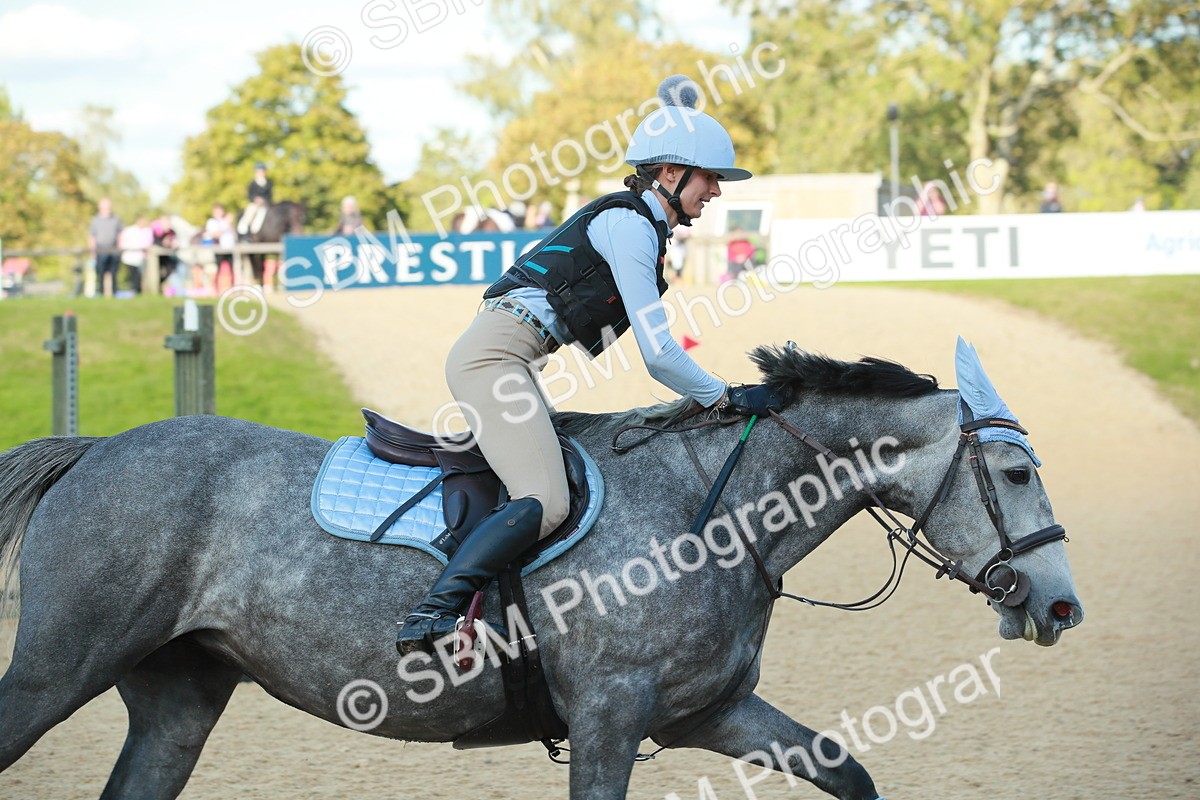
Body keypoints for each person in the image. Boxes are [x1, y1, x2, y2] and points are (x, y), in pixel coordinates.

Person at [395, 75, 784, 655]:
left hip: (513, 359)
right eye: (710, 178)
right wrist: (723, 396)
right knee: (547, 501)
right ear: (670, 173)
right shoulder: (629, 226)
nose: (716, 192)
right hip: (496, 358)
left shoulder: (640, 224)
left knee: (567, 479)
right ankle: (432, 614)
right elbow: (659, 354)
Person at [87, 198, 123, 298]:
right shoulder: (95, 220)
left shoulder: (116, 219)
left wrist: (119, 247)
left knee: (114, 272)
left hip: (113, 249)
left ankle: (115, 292)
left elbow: (120, 234)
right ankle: (101, 293)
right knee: (100, 272)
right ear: (100, 207)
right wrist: (92, 251)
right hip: (100, 249)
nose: (107, 209)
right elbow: (92, 236)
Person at [118, 216, 153, 294]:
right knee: (133, 274)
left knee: (140, 275)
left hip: (141, 257)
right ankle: (134, 289)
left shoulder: (147, 231)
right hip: (130, 257)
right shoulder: (129, 230)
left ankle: (139, 290)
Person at [237, 162, 273, 236]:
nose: (261, 173)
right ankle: (247, 232)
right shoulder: (252, 183)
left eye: (262, 171)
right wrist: (255, 199)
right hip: (255, 204)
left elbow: (270, 195)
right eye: (259, 171)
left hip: (265, 205)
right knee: (250, 211)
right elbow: (249, 195)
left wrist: (264, 201)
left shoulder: (269, 183)